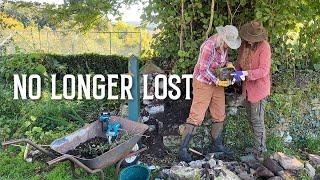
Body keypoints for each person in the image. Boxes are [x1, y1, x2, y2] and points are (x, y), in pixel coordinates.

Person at [178, 25, 241, 162]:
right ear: (222, 39)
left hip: (216, 82)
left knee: (219, 114)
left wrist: (229, 66)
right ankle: (182, 150)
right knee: (197, 116)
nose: (228, 47)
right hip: (203, 82)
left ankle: (217, 146)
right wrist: (217, 81)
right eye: (227, 44)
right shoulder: (209, 46)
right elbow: (202, 70)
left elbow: (221, 63)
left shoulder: (224, 47)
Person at [232, 21, 271, 156]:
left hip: (259, 90)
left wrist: (245, 74)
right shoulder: (244, 45)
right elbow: (239, 62)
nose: (250, 41)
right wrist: (234, 73)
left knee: (257, 120)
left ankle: (260, 152)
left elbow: (264, 70)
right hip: (247, 90)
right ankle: (256, 147)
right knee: (251, 118)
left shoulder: (264, 47)